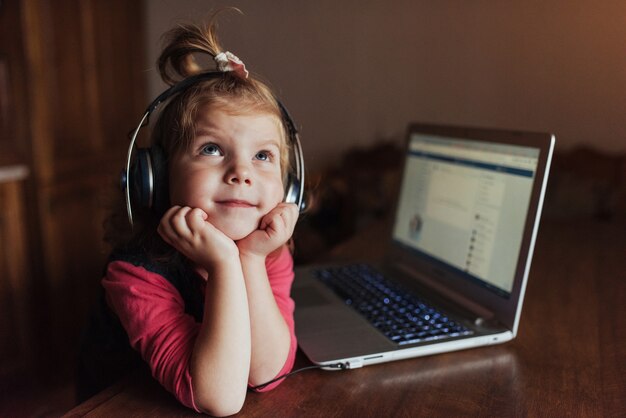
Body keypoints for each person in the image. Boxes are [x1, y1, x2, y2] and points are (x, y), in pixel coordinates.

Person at [77, 12, 300, 417]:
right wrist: (224, 262)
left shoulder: (268, 253)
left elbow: (266, 374)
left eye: (263, 155)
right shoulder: (135, 275)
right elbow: (220, 398)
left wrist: (248, 259)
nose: (242, 173)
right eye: (212, 149)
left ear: (288, 187)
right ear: (158, 178)